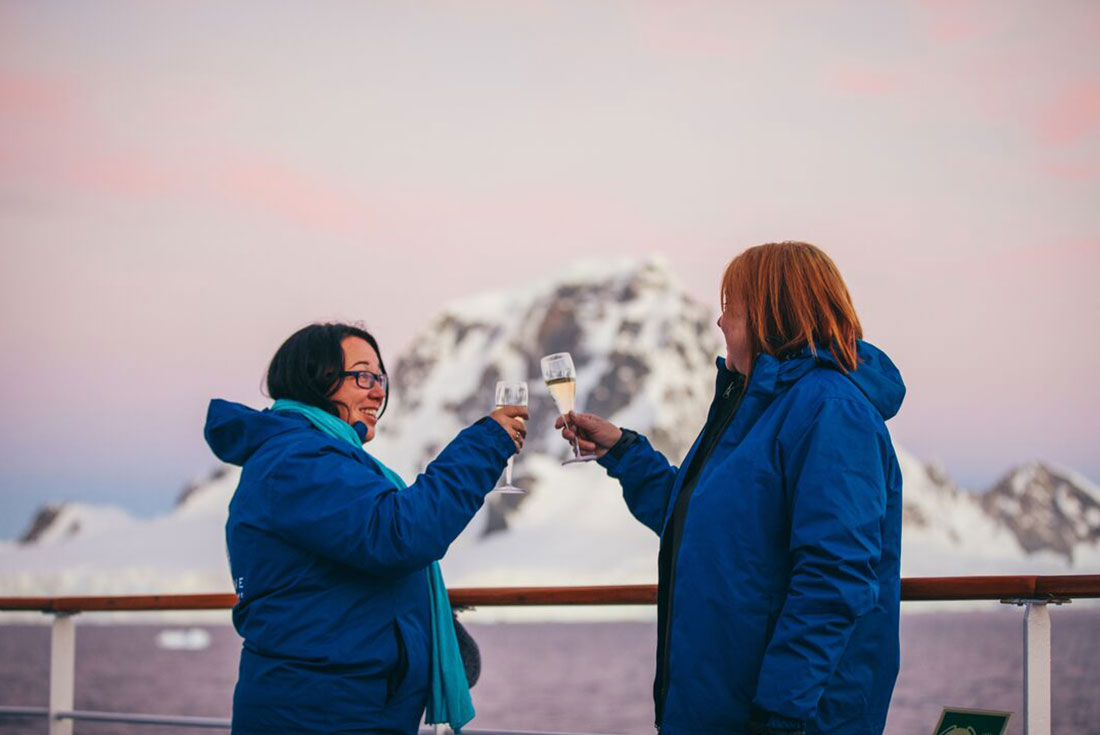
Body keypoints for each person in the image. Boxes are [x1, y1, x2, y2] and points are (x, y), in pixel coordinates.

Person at [558, 242, 905, 735]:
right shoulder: (753, 406)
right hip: (722, 710)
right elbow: (700, 525)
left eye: (730, 307)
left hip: (785, 719)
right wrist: (623, 452)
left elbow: (834, 576)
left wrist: (780, 716)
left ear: (771, 312)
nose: (720, 322)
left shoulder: (831, 410)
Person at [204, 322, 527, 735]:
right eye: (362, 375)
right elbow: (398, 536)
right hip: (319, 714)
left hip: (344, 706)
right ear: (315, 381)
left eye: (380, 378)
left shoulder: (318, 457)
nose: (378, 391)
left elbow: (339, 575)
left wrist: (424, 616)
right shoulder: (296, 462)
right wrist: (486, 444)